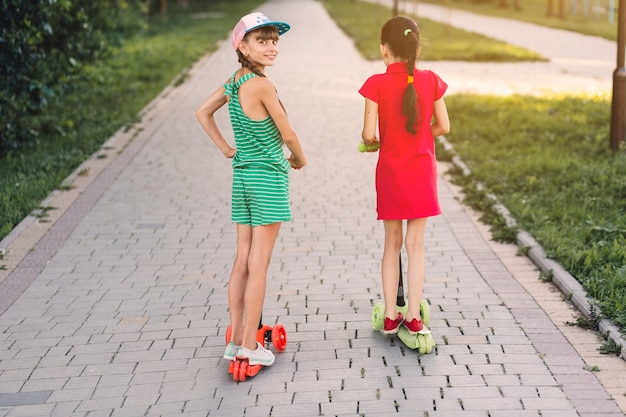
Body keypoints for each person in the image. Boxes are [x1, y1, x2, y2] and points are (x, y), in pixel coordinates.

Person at [195, 12, 306, 366]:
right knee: (259, 264)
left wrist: (228, 150)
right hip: (268, 179)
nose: (271, 46)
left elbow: (202, 112)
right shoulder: (262, 86)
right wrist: (300, 158)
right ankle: (248, 345)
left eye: (274, 40)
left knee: (243, 258)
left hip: (242, 178)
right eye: (262, 40)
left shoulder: (233, 82)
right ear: (242, 46)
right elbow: (287, 132)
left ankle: (236, 337)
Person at [358, 16, 449, 336]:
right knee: (416, 244)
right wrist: (420, 137)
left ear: (385, 50)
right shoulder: (432, 80)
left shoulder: (375, 84)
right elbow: (444, 127)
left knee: (391, 244)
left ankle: (389, 315)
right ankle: (413, 314)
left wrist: (376, 142)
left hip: (391, 174)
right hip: (422, 173)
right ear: (416, 47)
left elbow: (369, 134)